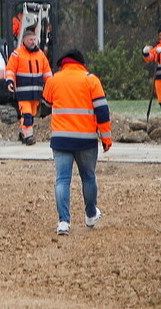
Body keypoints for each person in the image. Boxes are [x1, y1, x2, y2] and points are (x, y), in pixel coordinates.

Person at [42, 49, 112, 236]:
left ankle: (63, 222)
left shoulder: (54, 80)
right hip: (86, 139)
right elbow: (103, 112)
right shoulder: (91, 79)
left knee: (62, 180)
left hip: (61, 139)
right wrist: (106, 137)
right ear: (81, 63)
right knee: (88, 177)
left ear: (63, 63)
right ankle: (90, 215)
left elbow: (46, 103)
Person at [4, 29, 52, 145]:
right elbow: (10, 70)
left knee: (31, 114)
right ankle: (29, 136)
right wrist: (9, 81)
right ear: (24, 40)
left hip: (36, 93)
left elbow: (47, 73)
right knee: (27, 114)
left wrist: (52, 85)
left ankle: (23, 133)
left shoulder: (40, 55)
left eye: (34, 39)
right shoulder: (17, 54)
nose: (33, 42)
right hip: (23, 93)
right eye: (30, 40)